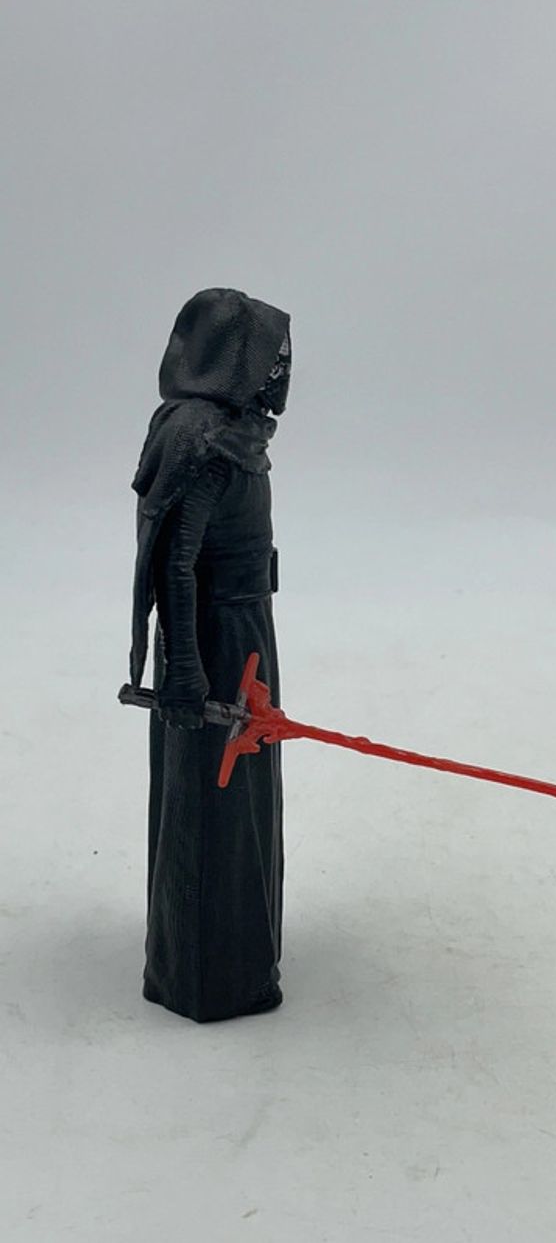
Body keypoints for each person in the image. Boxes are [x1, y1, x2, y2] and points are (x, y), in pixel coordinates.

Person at [128, 286, 291, 1021]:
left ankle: (244, 956)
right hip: (213, 637)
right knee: (211, 796)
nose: (279, 371)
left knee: (246, 795)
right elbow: (175, 564)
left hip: (247, 626)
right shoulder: (198, 436)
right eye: (268, 355)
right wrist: (188, 673)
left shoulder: (237, 432)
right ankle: (207, 975)